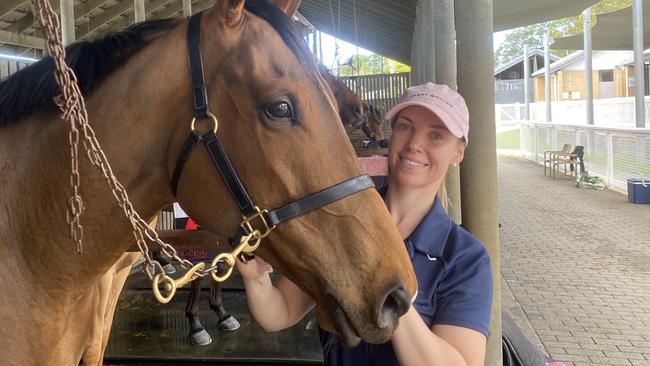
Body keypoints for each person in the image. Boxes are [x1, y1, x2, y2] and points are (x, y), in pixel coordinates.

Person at [236, 82, 493, 366]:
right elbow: (280, 313)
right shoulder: (340, 223)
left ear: (457, 153)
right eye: (406, 127)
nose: (415, 145)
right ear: (392, 133)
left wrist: (394, 286)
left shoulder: (465, 258)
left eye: (436, 135)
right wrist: (256, 277)